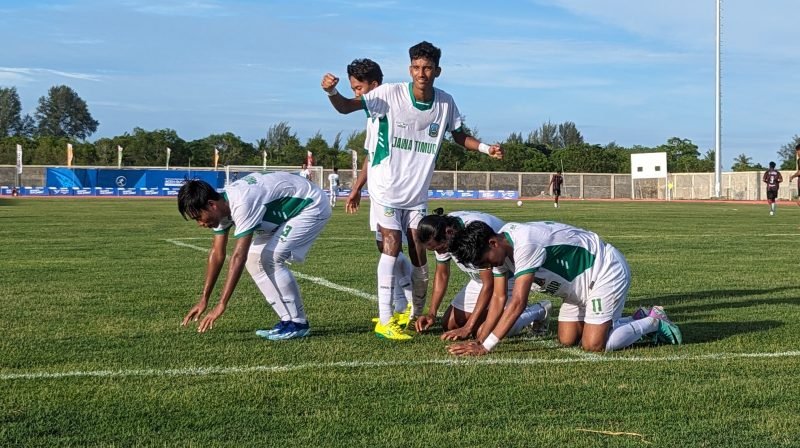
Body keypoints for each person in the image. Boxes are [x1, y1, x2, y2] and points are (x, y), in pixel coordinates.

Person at [321, 41, 503, 341]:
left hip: (417, 194)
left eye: (428, 68)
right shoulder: (388, 94)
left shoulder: (445, 103)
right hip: (385, 188)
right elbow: (345, 107)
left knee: (420, 255)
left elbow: (458, 135)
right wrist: (331, 91)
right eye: (417, 67)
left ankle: (416, 313)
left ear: (437, 71)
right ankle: (385, 319)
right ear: (410, 69)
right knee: (391, 244)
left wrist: (485, 148)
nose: (422, 73)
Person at [446, 221, 682, 356]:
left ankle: (653, 321)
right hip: (576, 287)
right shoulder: (501, 248)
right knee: (568, 339)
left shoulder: (525, 244)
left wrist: (486, 346)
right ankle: (635, 317)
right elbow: (498, 297)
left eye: (486, 261)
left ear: (493, 243)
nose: (488, 266)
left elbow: (517, 302)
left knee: (594, 345)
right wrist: (480, 335)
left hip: (604, 271)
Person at [177, 172, 331, 340]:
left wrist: (222, 304)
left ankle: (299, 324)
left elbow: (238, 257)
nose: (200, 223)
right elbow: (217, 253)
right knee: (254, 261)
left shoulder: (242, 203)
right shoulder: (221, 207)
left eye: (199, 217)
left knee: (271, 258)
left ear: (211, 205)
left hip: (310, 205)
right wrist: (204, 299)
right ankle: (288, 321)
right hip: (280, 213)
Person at [328, 58, 416, 333]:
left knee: (392, 247)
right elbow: (371, 156)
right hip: (378, 192)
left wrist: (332, 92)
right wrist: (356, 188)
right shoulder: (374, 118)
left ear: (374, 87)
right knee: (386, 248)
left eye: (358, 88)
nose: (356, 94)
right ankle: (403, 306)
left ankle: (393, 314)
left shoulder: (388, 107)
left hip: (393, 191)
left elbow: (343, 107)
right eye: (353, 89)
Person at [414, 208, 551, 342]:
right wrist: (431, 313)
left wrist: (468, 327)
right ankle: (500, 314)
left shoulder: (473, 234)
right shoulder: (442, 229)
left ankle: (535, 311)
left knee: (481, 331)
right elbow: (442, 274)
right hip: (481, 278)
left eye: (440, 248)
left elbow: (490, 284)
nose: (441, 252)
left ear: (449, 232)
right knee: (450, 324)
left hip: (505, 275)